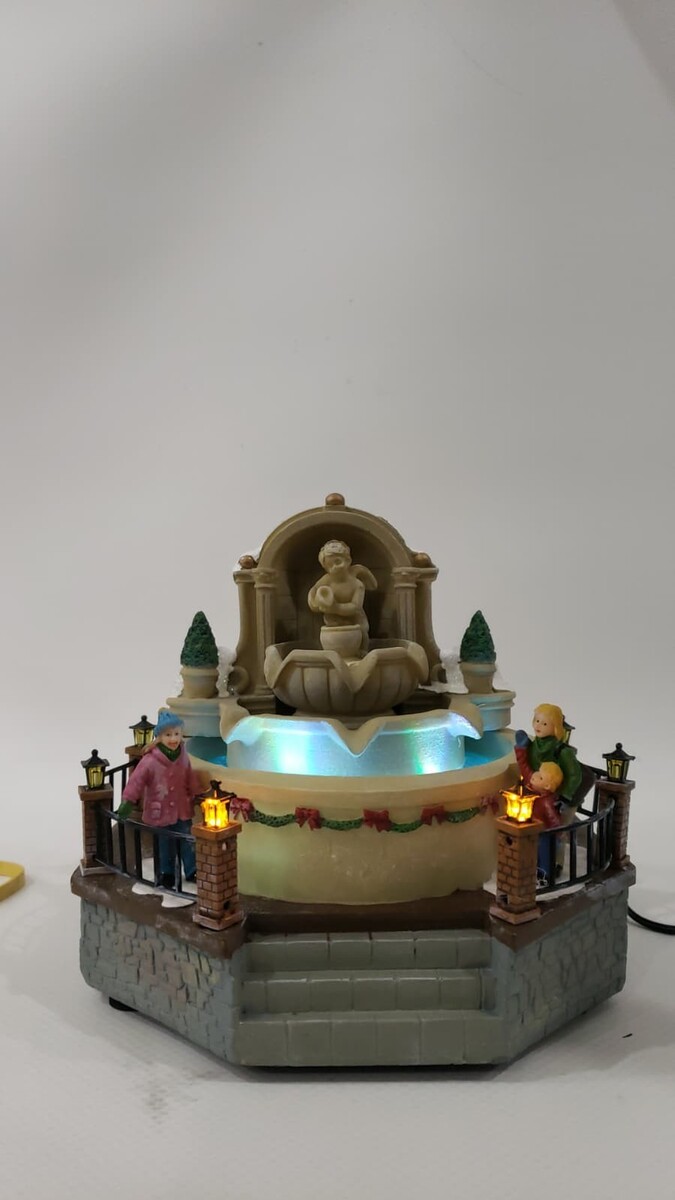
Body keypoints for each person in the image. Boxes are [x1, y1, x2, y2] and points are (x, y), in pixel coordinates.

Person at [118, 712, 202, 889]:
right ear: (159, 737)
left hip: (181, 808)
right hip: (160, 811)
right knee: (164, 843)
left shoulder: (183, 755)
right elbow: (136, 781)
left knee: (187, 840)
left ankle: (192, 869)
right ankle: (167, 872)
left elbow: (189, 775)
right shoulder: (150, 760)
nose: (173, 739)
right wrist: (128, 800)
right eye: (168, 735)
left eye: (177, 734)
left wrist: (196, 793)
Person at [307, 539, 376, 653]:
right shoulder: (327, 580)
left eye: (337, 562)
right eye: (329, 565)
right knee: (331, 636)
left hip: (355, 619)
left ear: (348, 561)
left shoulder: (357, 584)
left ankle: (362, 651)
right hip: (333, 619)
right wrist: (314, 603)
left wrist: (336, 607)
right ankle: (333, 654)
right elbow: (314, 590)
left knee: (362, 632)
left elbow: (355, 607)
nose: (334, 567)